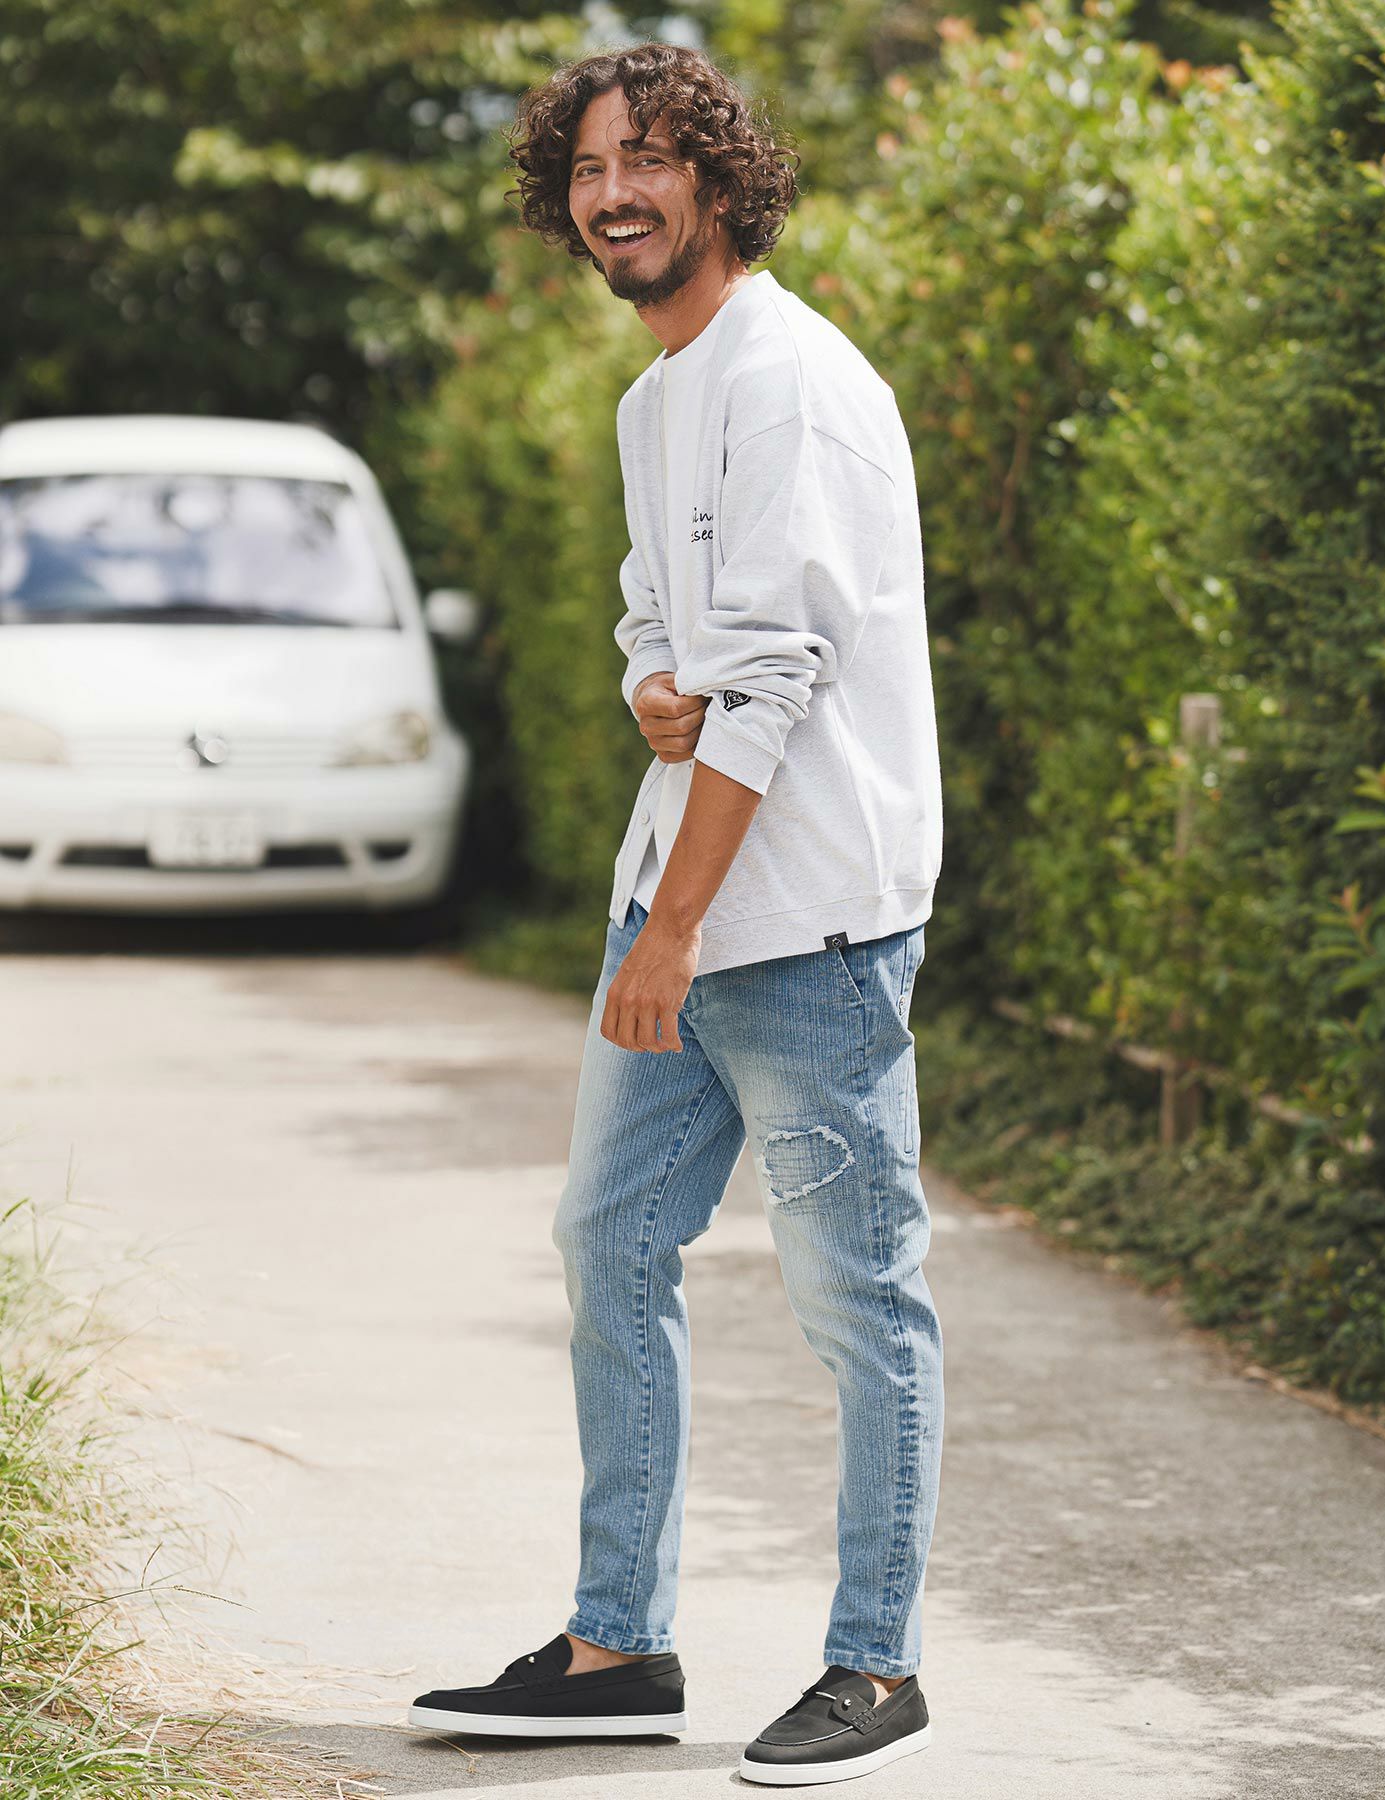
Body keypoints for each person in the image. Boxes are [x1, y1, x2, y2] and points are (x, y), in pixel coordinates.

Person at [408, 41, 945, 1787]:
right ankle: (617, 1644)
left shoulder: (790, 379)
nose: (612, 193)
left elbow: (777, 675)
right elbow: (666, 621)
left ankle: (877, 1667)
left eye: (644, 159)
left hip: (803, 925)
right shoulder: (660, 399)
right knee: (610, 1246)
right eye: (585, 169)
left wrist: (673, 929)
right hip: (686, 903)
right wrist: (649, 681)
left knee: (860, 1301)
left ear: (717, 178)